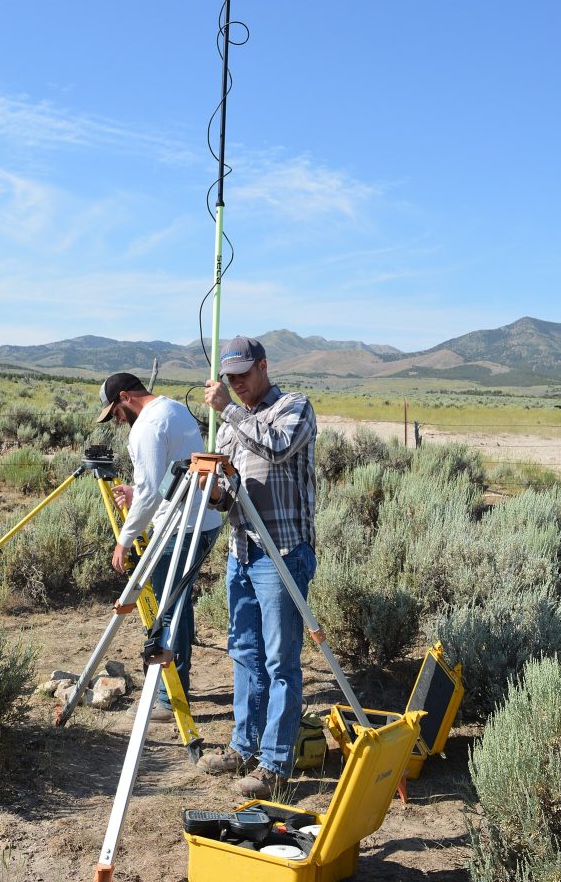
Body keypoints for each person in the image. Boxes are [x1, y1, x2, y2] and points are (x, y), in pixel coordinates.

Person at [199, 336, 317, 799]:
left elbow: (278, 449)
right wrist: (213, 489)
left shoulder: (294, 407)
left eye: (243, 376)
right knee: (244, 653)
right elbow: (231, 484)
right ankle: (244, 746)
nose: (236, 385)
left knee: (280, 660)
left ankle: (274, 764)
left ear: (264, 366)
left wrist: (229, 409)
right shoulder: (231, 420)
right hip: (241, 549)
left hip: (282, 554)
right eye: (229, 379)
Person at [97, 372, 221, 721]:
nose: (118, 421)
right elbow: (173, 472)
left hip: (180, 528)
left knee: (169, 610)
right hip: (202, 521)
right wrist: (138, 494)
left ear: (125, 396)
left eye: (115, 412)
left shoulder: (146, 427)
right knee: (177, 604)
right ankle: (175, 685)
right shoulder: (173, 409)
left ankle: (170, 698)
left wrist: (125, 539)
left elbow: (152, 492)